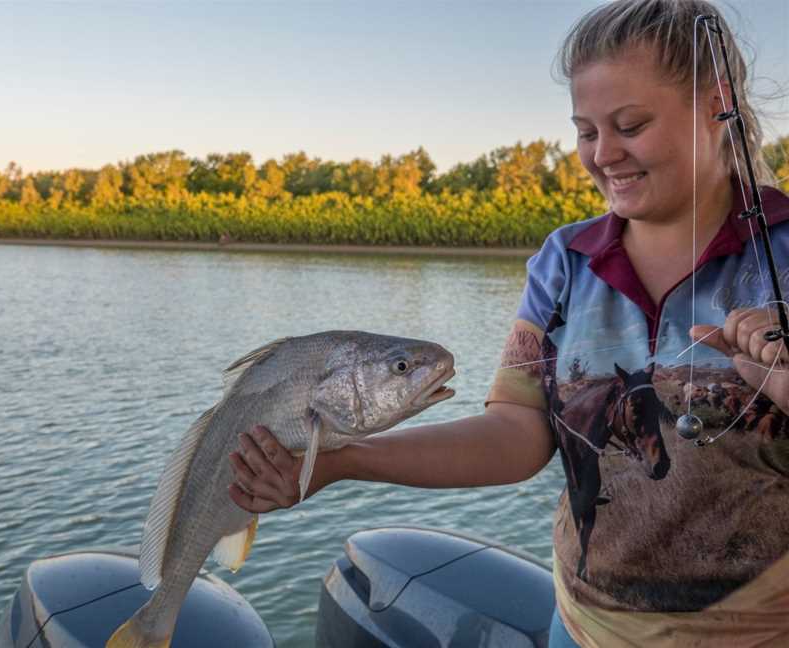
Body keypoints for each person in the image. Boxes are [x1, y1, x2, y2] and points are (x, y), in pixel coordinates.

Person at [228, 1, 789, 645]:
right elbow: (517, 434)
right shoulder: (564, 262)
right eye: (586, 131)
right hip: (577, 630)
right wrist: (337, 462)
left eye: (629, 124)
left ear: (715, 105)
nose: (603, 154)